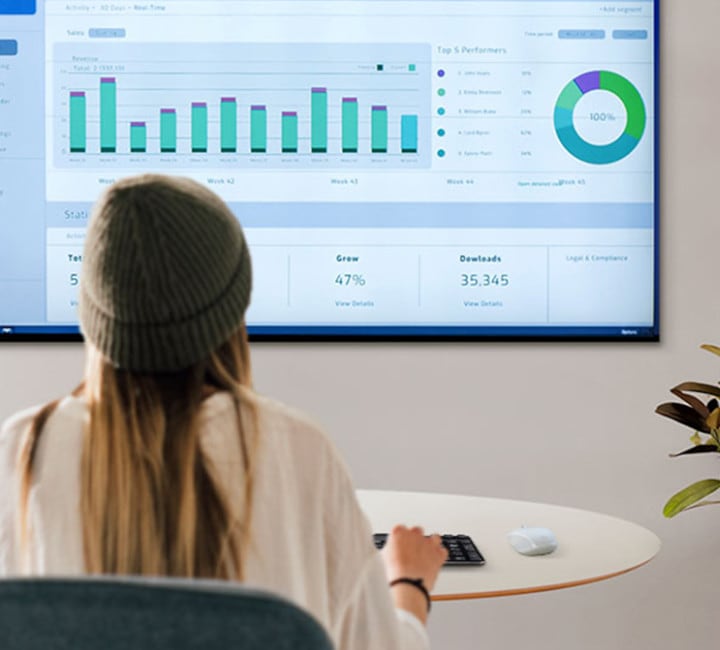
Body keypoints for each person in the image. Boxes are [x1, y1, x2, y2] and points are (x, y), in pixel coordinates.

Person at [0, 174, 447, 649]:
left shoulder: (22, 450)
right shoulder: (295, 448)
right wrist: (409, 586)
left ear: (94, 314)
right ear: (233, 310)